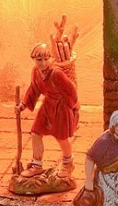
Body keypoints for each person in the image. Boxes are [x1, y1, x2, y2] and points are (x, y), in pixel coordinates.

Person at [16, 41, 80, 180]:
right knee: (36, 133)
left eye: (46, 59)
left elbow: (71, 91)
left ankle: (68, 163)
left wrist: (74, 109)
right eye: (39, 59)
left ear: (51, 58)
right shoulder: (36, 72)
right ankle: (37, 165)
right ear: (34, 59)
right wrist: (23, 105)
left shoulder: (56, 74)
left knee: (61, 137)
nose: (43, 63)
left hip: (61, 107)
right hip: (47, 106)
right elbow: (34, 89)